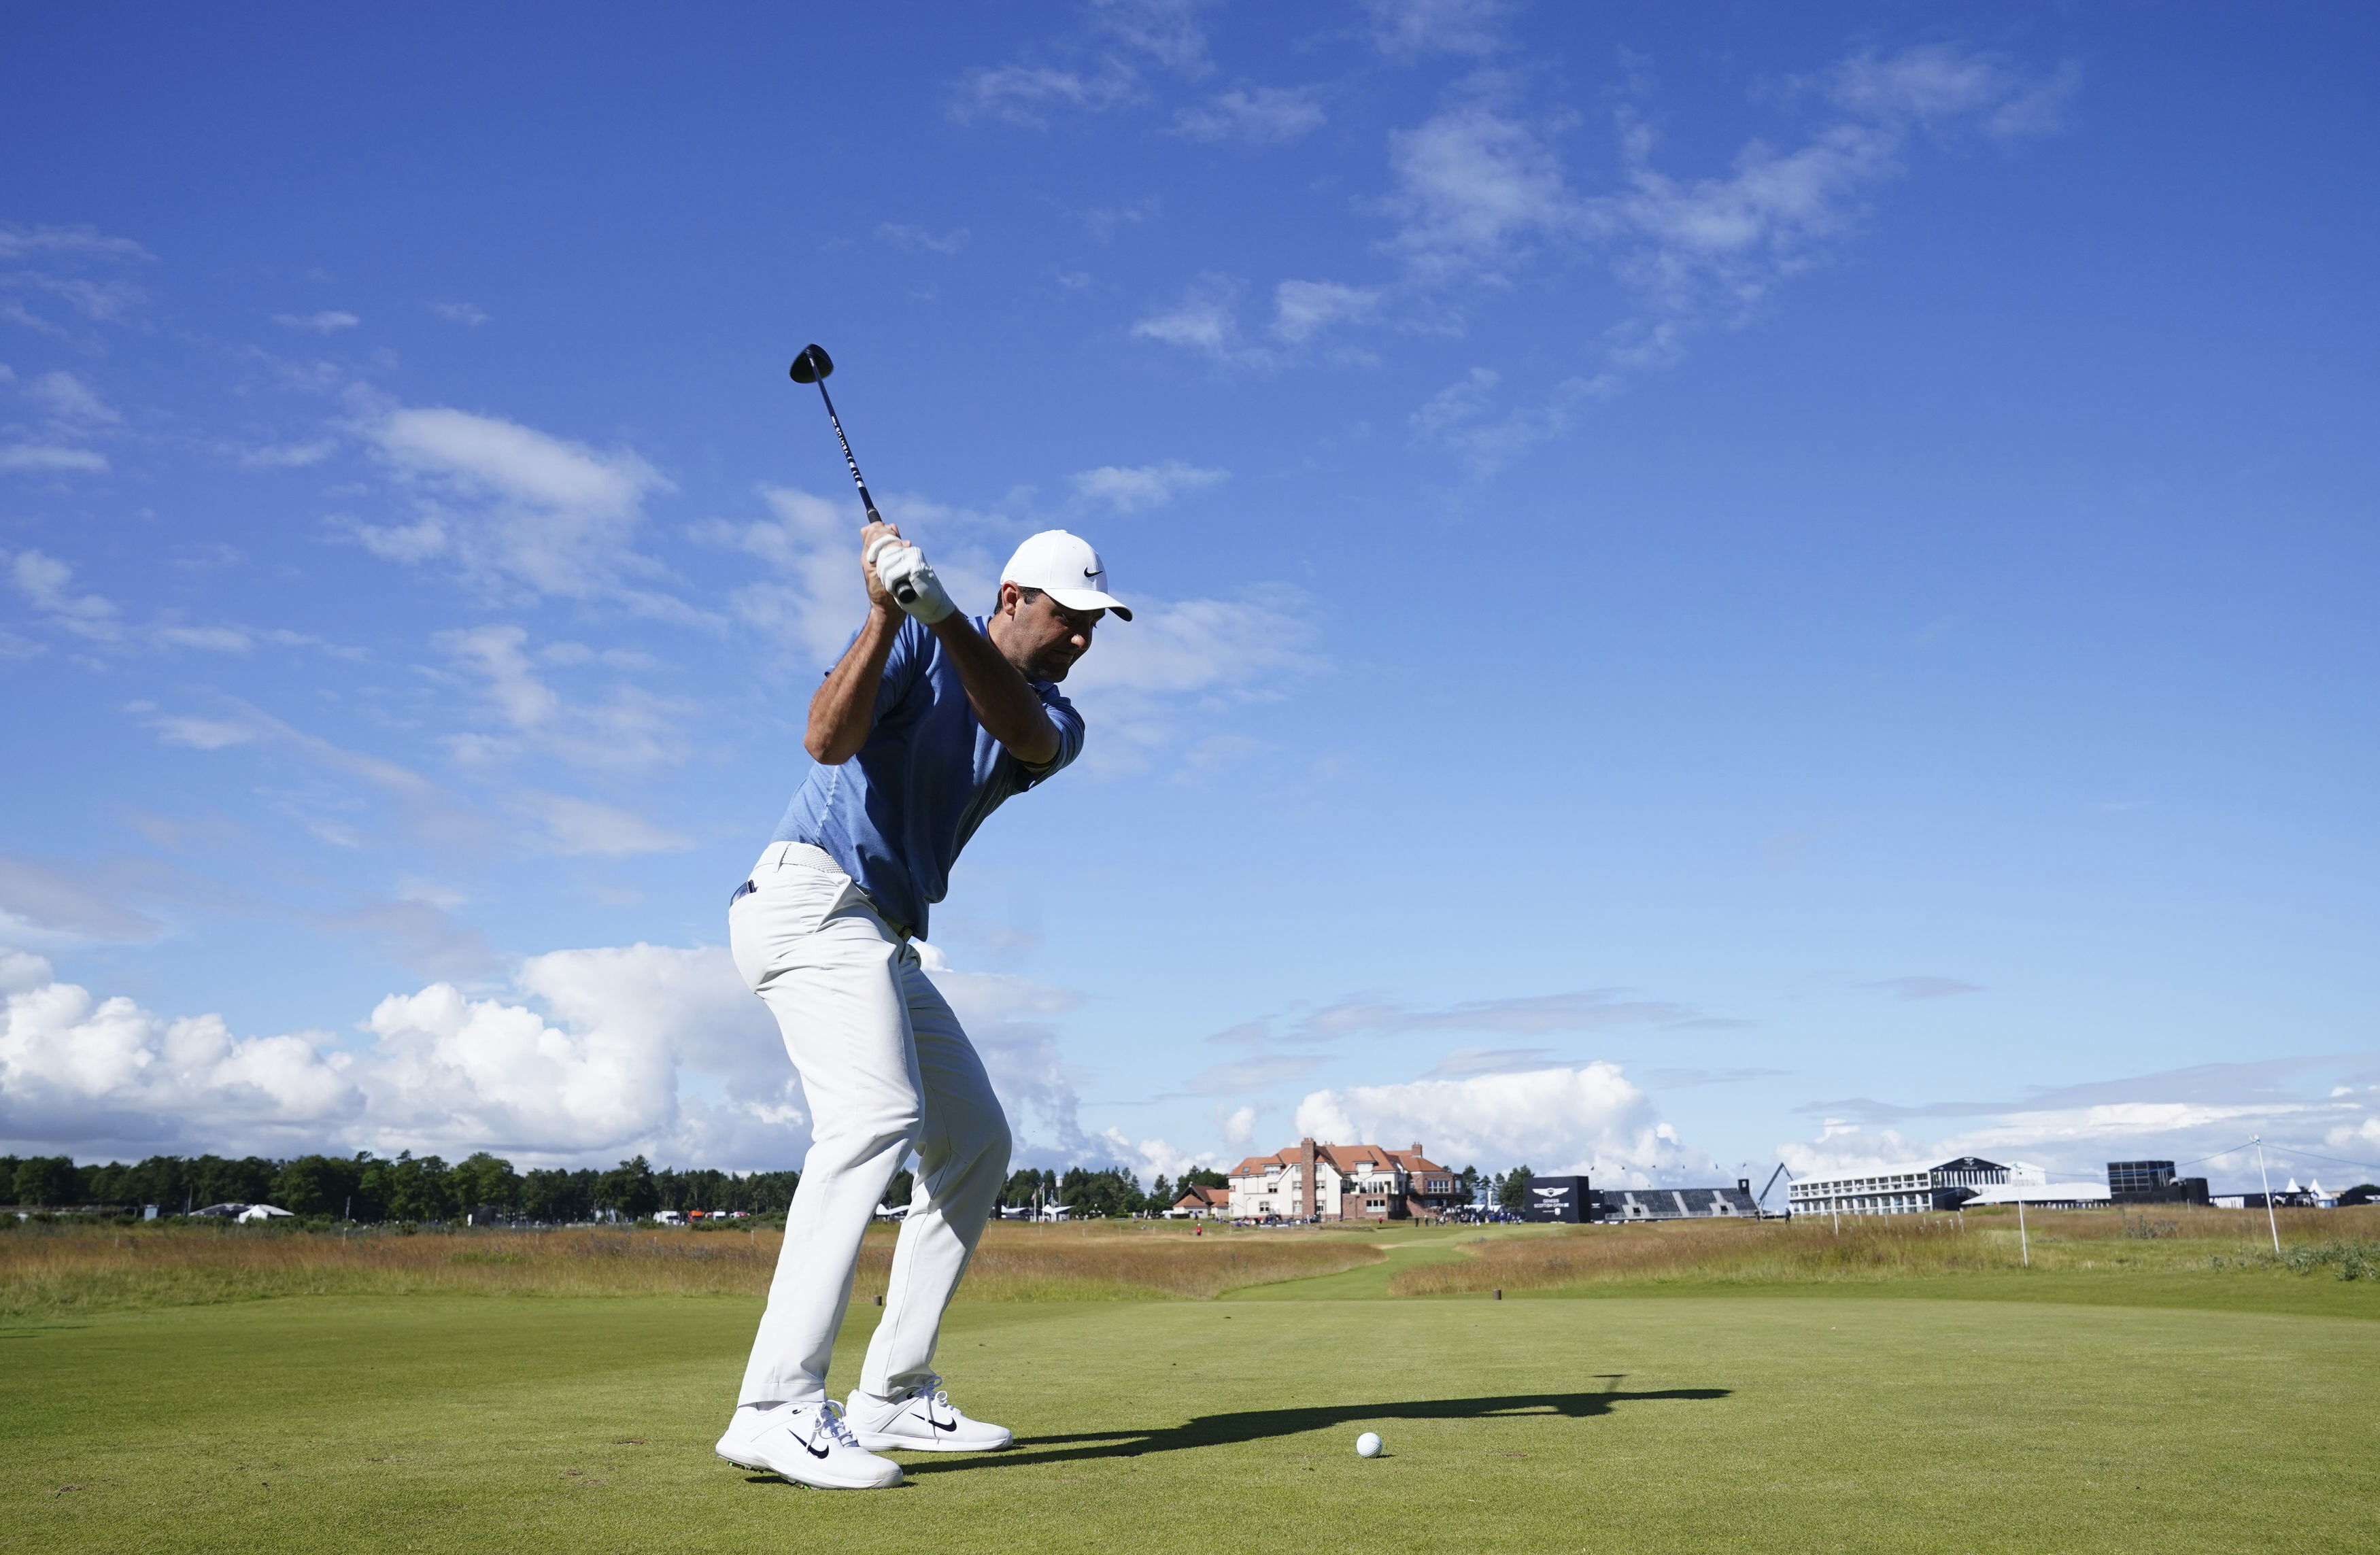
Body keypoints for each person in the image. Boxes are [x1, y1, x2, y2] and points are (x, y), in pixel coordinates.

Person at [712, 522, 1127, 1490]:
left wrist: (940, 616)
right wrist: (881, 615)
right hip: (810, 899)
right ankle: (774, 1405)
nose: (1083, 639)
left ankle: (892, 1393)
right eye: (1069, 617)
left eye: (1095, 625)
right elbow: (825, 740)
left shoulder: (1055, 719)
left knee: (976, 1140)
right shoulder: (904, 639)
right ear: (1014, 598)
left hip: (883, 933)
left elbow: (1019, 731)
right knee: (875, 1117)